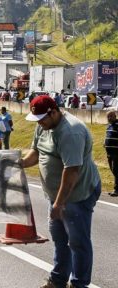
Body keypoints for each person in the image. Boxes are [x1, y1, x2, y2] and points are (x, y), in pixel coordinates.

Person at [21, 96, 101, 288]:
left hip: (76, 194)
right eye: (37, 119)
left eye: (42, 118)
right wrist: (20, 164)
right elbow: (36, 152)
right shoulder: (43, 126)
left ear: (54, 111)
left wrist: (59, 204)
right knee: (60, 239)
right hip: (56, 195)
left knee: (77, 241)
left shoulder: (71, 132)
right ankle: (58, 280)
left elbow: (72, 171)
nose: (39, 122)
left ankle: (79, 284)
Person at [104, 111, 118, 197]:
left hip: (116, 153)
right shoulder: (109, 126)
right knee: (114, 171)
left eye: (111, 116)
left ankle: (116, 190)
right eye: (108, 116)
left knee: (116, 170)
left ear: (115, 116)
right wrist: (105, 143)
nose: (109, 118)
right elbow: (108, 136)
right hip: (109, 153)